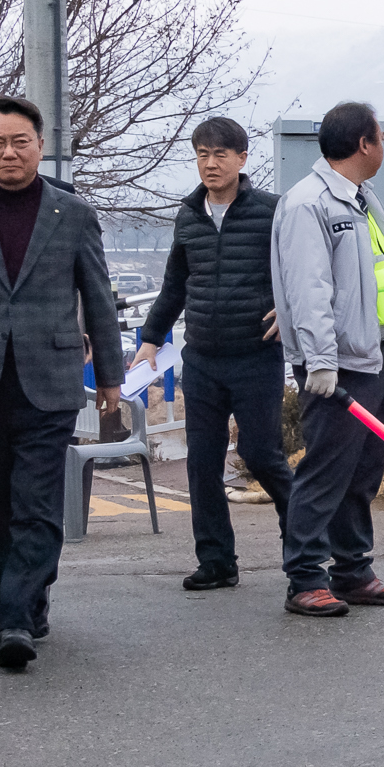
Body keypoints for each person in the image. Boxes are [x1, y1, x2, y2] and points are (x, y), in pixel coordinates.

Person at [269, 102, 384, 619]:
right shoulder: (308, 203)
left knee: (363, 470)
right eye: (380, 138)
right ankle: (306, 577)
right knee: (326, 470)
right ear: (364, 144)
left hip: (376, 353)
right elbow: (308, 290)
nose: (383, 148)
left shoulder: (362, 198)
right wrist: (319, 362)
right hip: (337, 362)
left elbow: (383, 276)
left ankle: (353, 570)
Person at [135, 116, 290, 592]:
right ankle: (217, 561)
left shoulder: (272, 211)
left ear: (243, 159)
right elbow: (173, 286)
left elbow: (304, 270)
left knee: (262, 454)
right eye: (202, 154)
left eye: (221, 154)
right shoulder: (188, 215)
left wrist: (289, 310)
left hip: (255, 355)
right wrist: (149, 341)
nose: (210, 163)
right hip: (201, 356)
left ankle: (305, 547)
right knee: (202, 461)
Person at [0, 96, 120, 671]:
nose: (9, 153)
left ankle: (15, 617)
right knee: (3, 503)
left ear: (40, 147)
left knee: (37, 503)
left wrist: (112, 380)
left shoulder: (70, 213)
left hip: (48, 380)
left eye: (20, 142)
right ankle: (23, 602)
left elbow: (98, 298)